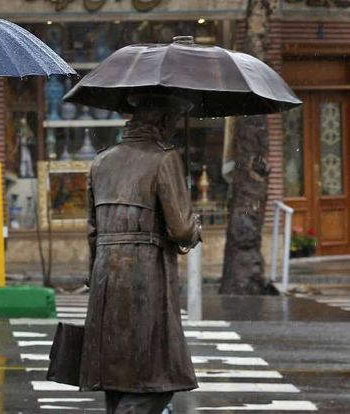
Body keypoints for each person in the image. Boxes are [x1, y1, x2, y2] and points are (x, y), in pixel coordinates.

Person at [81, 94, 202, 414]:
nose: (176, 127)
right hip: (146, 277)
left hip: (105, 278)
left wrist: (94, 272)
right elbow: (180, 230)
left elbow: (92, 229)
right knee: (158, 378)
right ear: (163, 122)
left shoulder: (101, 161)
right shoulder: (164, 159)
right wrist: (195, 225)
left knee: (118, 379)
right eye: (174, 120)